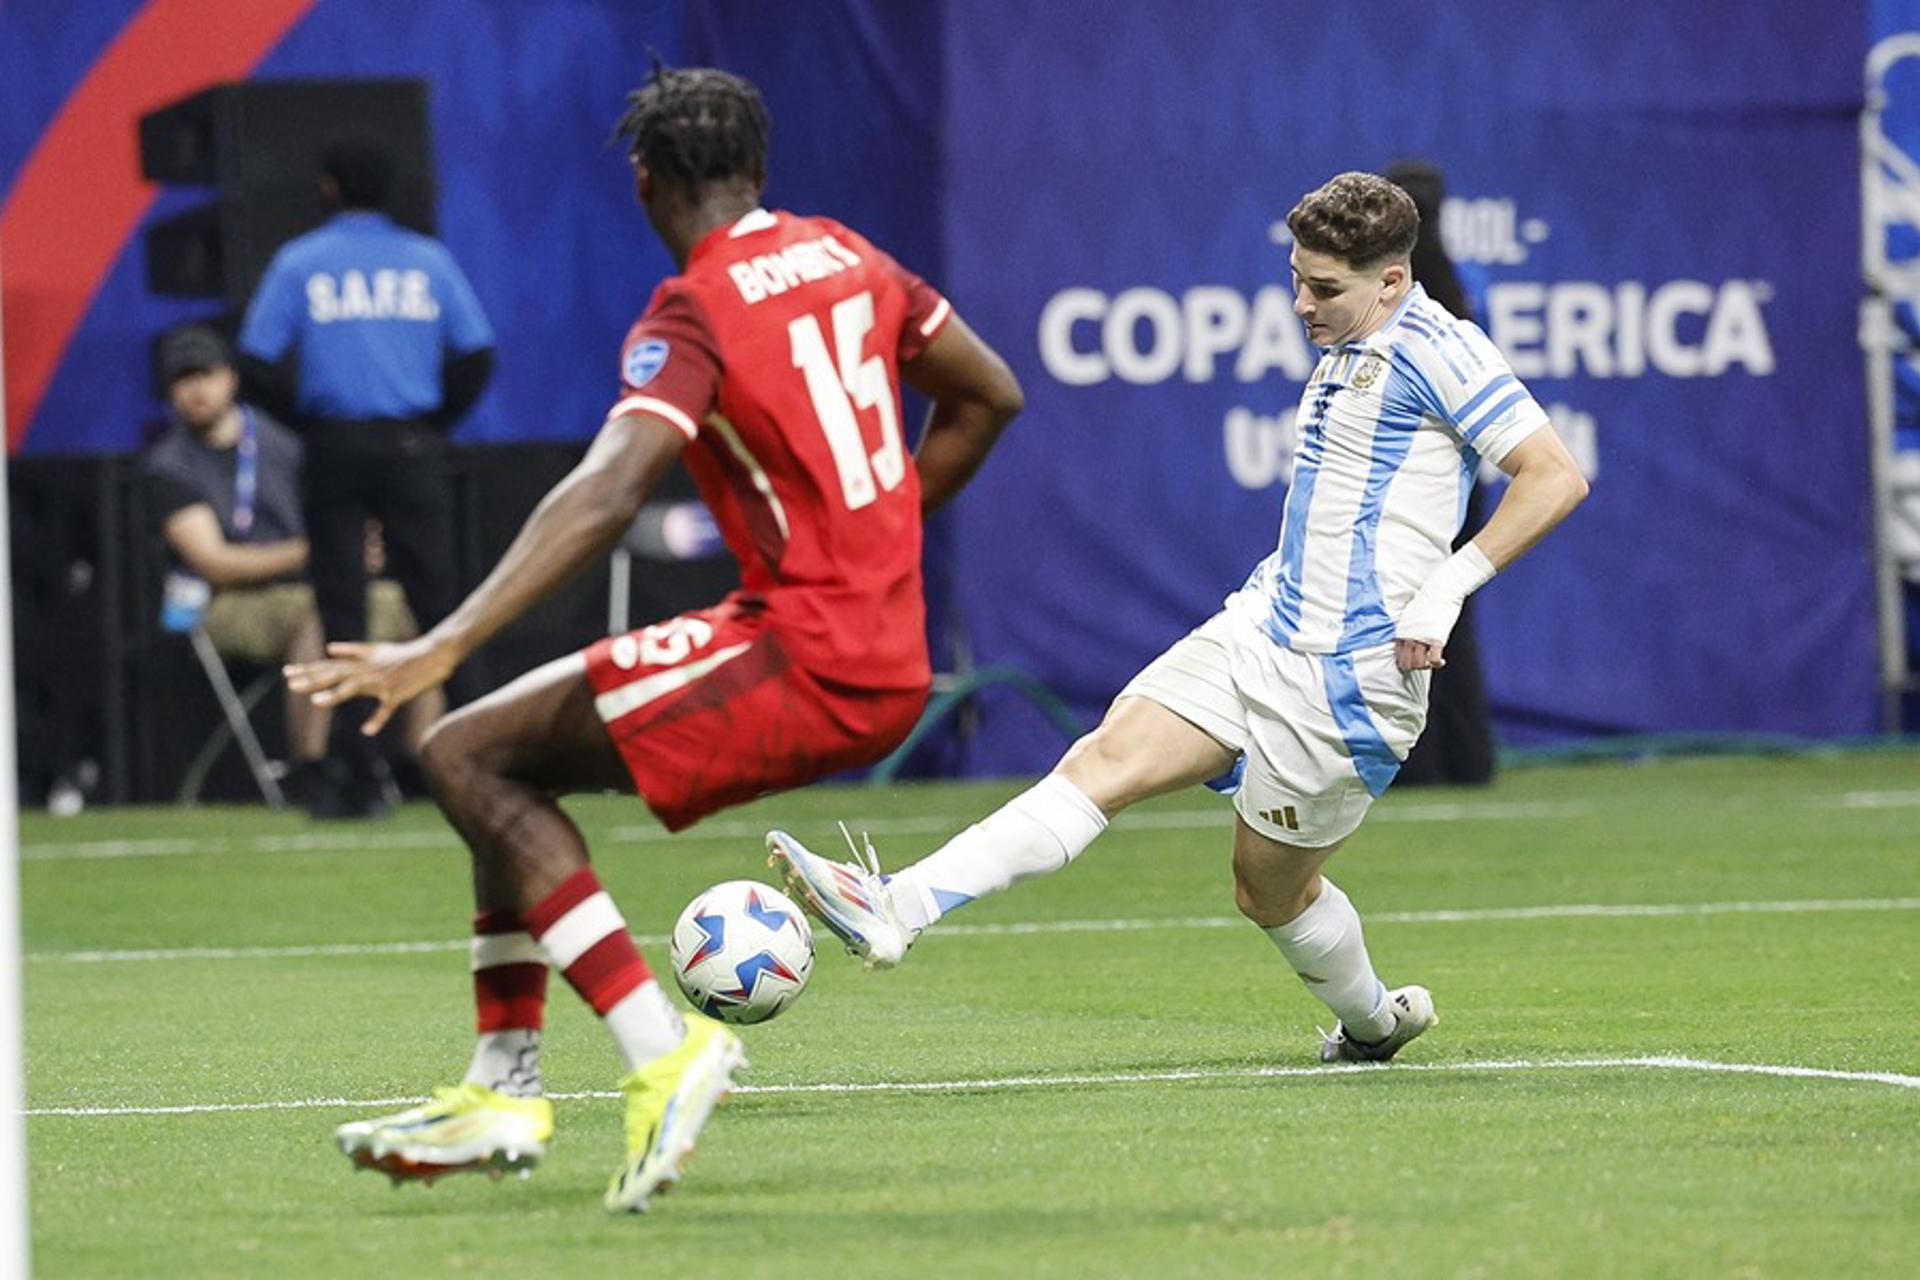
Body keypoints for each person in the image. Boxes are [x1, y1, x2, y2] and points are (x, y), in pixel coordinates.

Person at [286, 64, 1022, 1212]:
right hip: (869, 644)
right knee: (494, 752)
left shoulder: (697, 305)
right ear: (758, 169)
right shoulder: (850, 256)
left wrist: (444, 638)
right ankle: (501, 1081)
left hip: (808, 652)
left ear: (645, 183)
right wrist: (878, 533)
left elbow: (606, 490)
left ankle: (661, 1047)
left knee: (461, 751)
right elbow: (989, 394)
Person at [770, 172, 1589, 1067]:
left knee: (1268, 892)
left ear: (1392, 281)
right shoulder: (1354, 338)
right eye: (1296, 278)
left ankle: (1373, 1024)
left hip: (1349, 683)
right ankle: (897, 907)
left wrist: (1447, 587)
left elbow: (1554, 474)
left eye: (1325, 289)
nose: (1301, 304)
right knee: (1103, 761)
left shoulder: (1441, 347)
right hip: (1263, 627)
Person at [237, 136, 496, 815]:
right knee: (441, 602)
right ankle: (495, 750)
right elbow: (475, 355)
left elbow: (256, 364)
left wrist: (310, 421)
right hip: (413, 446)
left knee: (342, 608)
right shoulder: (427, 261)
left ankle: (352, 776)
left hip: (335, 448)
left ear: (328, 188)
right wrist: (434, 422)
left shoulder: (301, 263)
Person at [141, 326, 440, 817]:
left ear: (231, 378)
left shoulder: (284, 444)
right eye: (183, 379)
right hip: (229, 605)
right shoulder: (169, 467)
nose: (197, 390)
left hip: (316, 580)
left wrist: (359, 547)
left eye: (206, 375)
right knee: (325, 613)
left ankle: (420, 761)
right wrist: (319, 553)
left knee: (422, 613)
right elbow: (215, 562)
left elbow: (345, 517)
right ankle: (315, 766)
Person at [1382, 159, 1497, 787]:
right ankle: (1468, 758)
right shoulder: (1469, 284)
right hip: (1464, 477)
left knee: (1402, 612)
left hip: (1403, 480)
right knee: (1454, 608)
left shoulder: (1384, 290)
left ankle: (1414, 762)